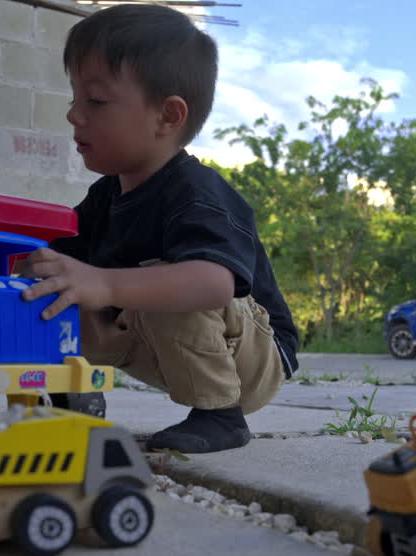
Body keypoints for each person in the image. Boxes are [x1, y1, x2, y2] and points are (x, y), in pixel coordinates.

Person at [16, 4, 299, 453]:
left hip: (253, 359)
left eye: (96, 100)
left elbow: (212, 284)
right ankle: (70, 397)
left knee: (168, 282)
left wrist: (106, 283)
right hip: (156, 344)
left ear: (167, 116)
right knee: (56, 285)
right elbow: (57, 256)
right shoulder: (105, 197)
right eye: (74, 99)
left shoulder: (197, 192)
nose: (74, 115)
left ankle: (221, 416)